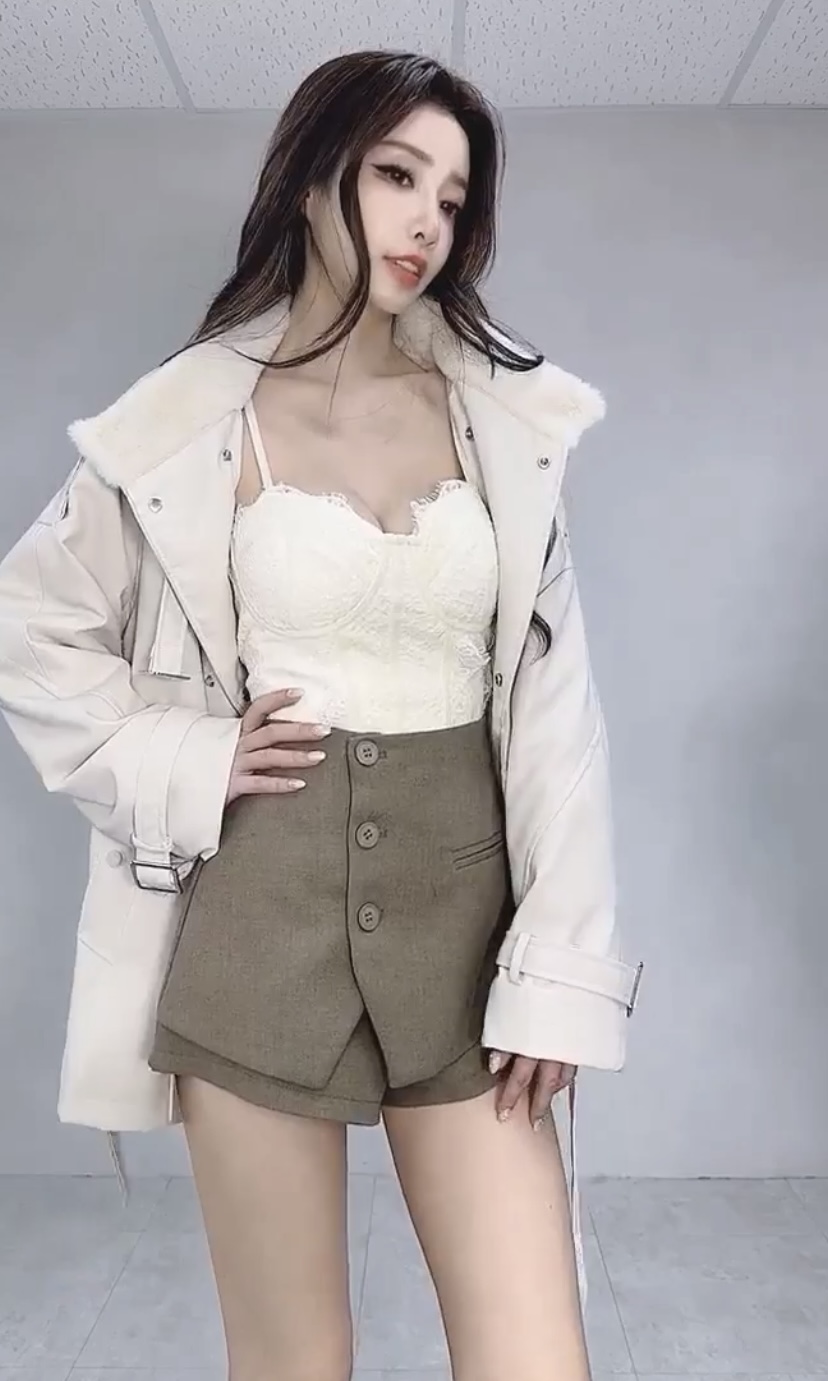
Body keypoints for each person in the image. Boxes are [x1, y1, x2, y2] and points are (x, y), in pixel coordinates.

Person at [0, 49, 643, 1381]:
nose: (427, 221)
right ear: (310, 179)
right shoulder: (188, 425)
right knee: (292, 1363)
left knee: (535, 1359)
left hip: (469, 937)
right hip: (257, 923)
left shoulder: (500, 424)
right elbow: (30, 625)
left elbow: (556, 722)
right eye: (398, 174)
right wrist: (183, 758)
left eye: (452, 199)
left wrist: (558, 969)